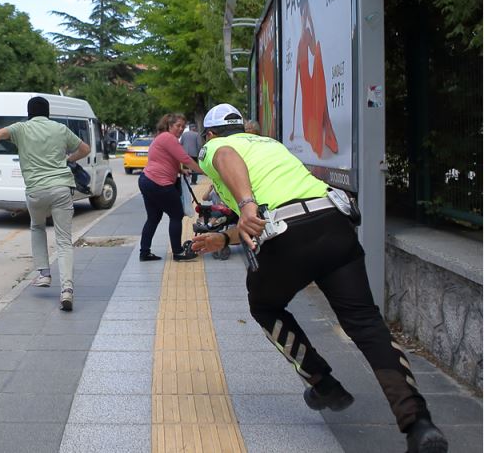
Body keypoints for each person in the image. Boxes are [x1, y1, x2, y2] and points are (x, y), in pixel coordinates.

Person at [190, 103, 447, 453]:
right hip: (332, 222)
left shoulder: (216, 147)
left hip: (288, 240)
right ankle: (419, 424)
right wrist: (224, 237)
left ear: (209, 134)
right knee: (366, 324)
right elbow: (276, 210)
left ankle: (322, 382)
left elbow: (229, 162)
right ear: (245, 127)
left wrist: (246, 202)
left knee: (264, 305)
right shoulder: (270, 144)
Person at [0, 96, 90, 311]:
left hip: (35, 190)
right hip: (62, 187)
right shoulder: (59, 129)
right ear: (48, 112)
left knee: (37, 226)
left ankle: (43, 274)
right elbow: (85, 149)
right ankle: (67, 290)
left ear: (29, 113)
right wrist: (68, 160)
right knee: (64, 241)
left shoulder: (21, 128)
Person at [138, 113, 204, 263]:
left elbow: (165, 159)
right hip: (159, 183)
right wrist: (205, 171)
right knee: (176, 215)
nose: (181, 129)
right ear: (169, 125)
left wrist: (180, 170)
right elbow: (185, 159)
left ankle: (144, 252)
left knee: (153, 218)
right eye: (177, 126)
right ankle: (178, 252)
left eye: (183, 126)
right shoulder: (168, 138)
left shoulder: (161, 137)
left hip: (147, 180)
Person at [288, 0, 338, 158]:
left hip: (311, 84)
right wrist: (293, 129)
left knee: (318, 59)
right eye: (303, 11)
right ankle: (321, 133)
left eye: (306, 12)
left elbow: (315, 49)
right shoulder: (302, 41)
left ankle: (324, 132)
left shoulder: (307, 36)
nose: (304, 16)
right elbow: (296, 84)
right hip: (307, 88)